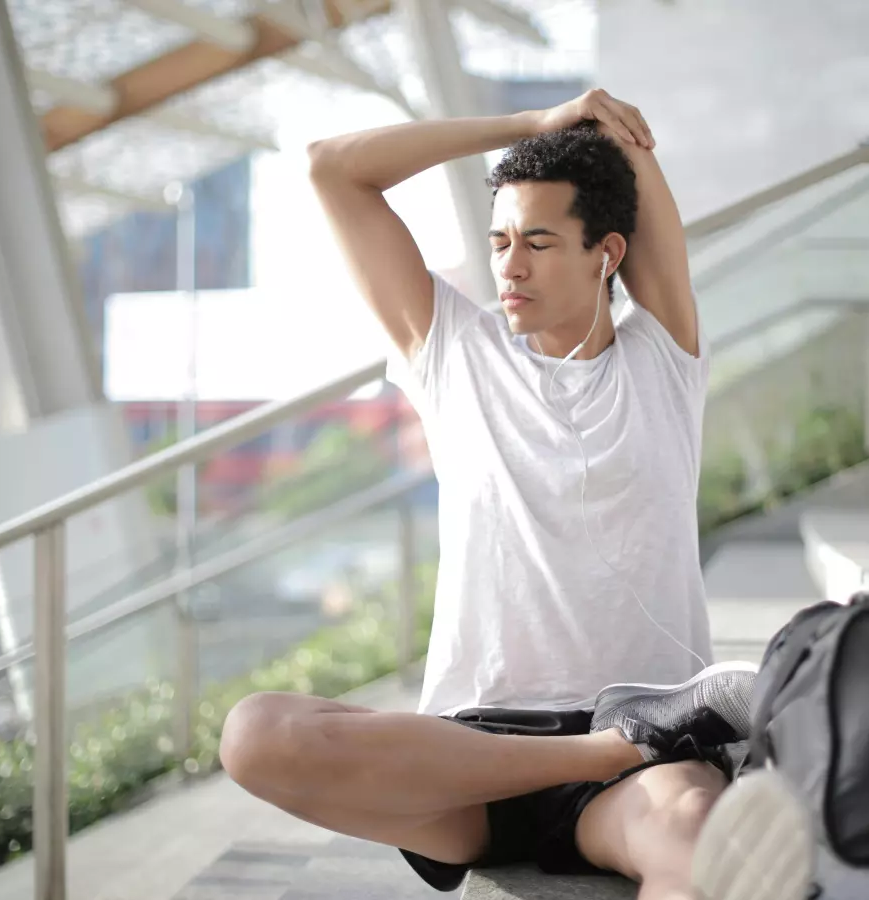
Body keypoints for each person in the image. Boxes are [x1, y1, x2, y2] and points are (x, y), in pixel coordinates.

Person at [220, 89, 813, 900]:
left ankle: (635, 745)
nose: (509, 265)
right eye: (499, 240)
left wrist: (590, 130)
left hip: (636, 776)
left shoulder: (663, 359)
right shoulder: (452, 353)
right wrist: (527, 126)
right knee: (254, 736)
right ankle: (628, 741)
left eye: (537, 240)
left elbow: (627, 151)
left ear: (606, 253)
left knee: (692, 844)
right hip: (474, 759)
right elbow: (333, 169)